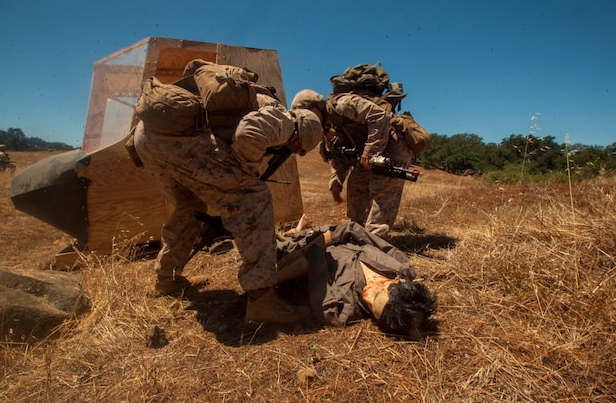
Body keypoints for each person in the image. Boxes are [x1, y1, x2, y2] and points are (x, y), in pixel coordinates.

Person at [133, 87, 323, 325]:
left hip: (148, 136)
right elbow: (249, 134)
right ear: (301, 137)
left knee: (189, 204)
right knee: (253, 196)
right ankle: (263, 301)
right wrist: (244, 175)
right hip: (178, 138)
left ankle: (166, 278)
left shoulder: (260, 102)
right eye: (297, 148)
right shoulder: (285, 120)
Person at [275, 215, 438, 339]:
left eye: (372, 308)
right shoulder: (402, 268)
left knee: (279, 251)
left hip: (311, 252)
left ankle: (298, 233)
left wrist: (317, 240)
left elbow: (314, 261)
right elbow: (359, 232)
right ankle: (302, 232)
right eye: (376, 293)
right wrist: (334, 235)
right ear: (396, 281)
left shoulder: (338, 311)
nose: (367, 296)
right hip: (337, 236)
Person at [291, 84, 411, 238]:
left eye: (308, 114)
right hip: (368, 156)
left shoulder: (343, 104)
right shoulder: (327, 128)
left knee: (381, 192)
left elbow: (379, 116)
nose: (308, 119)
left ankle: (377, 242)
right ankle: (358, 232)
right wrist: (336, 181)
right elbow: (337, 156)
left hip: (394, 149)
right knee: (356, 184)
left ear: (318, 105)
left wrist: (370, 152)